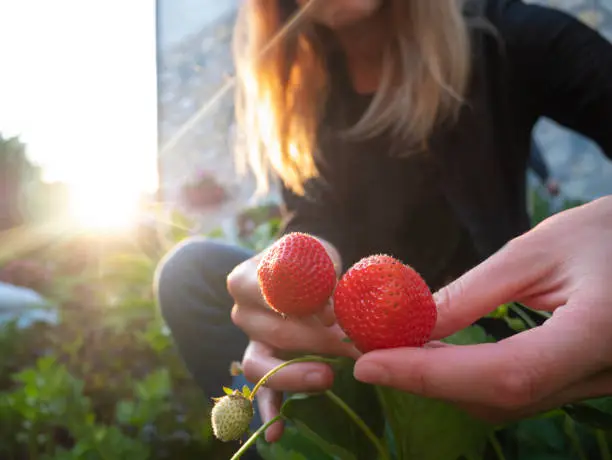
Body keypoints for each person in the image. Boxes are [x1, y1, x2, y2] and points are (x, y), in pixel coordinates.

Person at [155, 0, 612, 449]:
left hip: (475, 342)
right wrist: (283, 278)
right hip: (349, 341)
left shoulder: (503, 37)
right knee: (188, 271)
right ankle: (293, 438)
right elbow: (314, 219)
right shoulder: (308, 86)